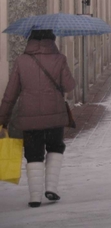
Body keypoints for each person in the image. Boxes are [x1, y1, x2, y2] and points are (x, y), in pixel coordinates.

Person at [0, 29, 76, 208]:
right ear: (52, 40)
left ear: (30, 41)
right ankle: (51, 188)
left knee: (33, 153)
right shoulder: (59, 59)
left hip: (29, 118)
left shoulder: (21, 60)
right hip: (55, 116)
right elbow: (69, 86)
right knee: (55, 148)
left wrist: (3, 118)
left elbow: (10, 94)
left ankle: (34, 197)